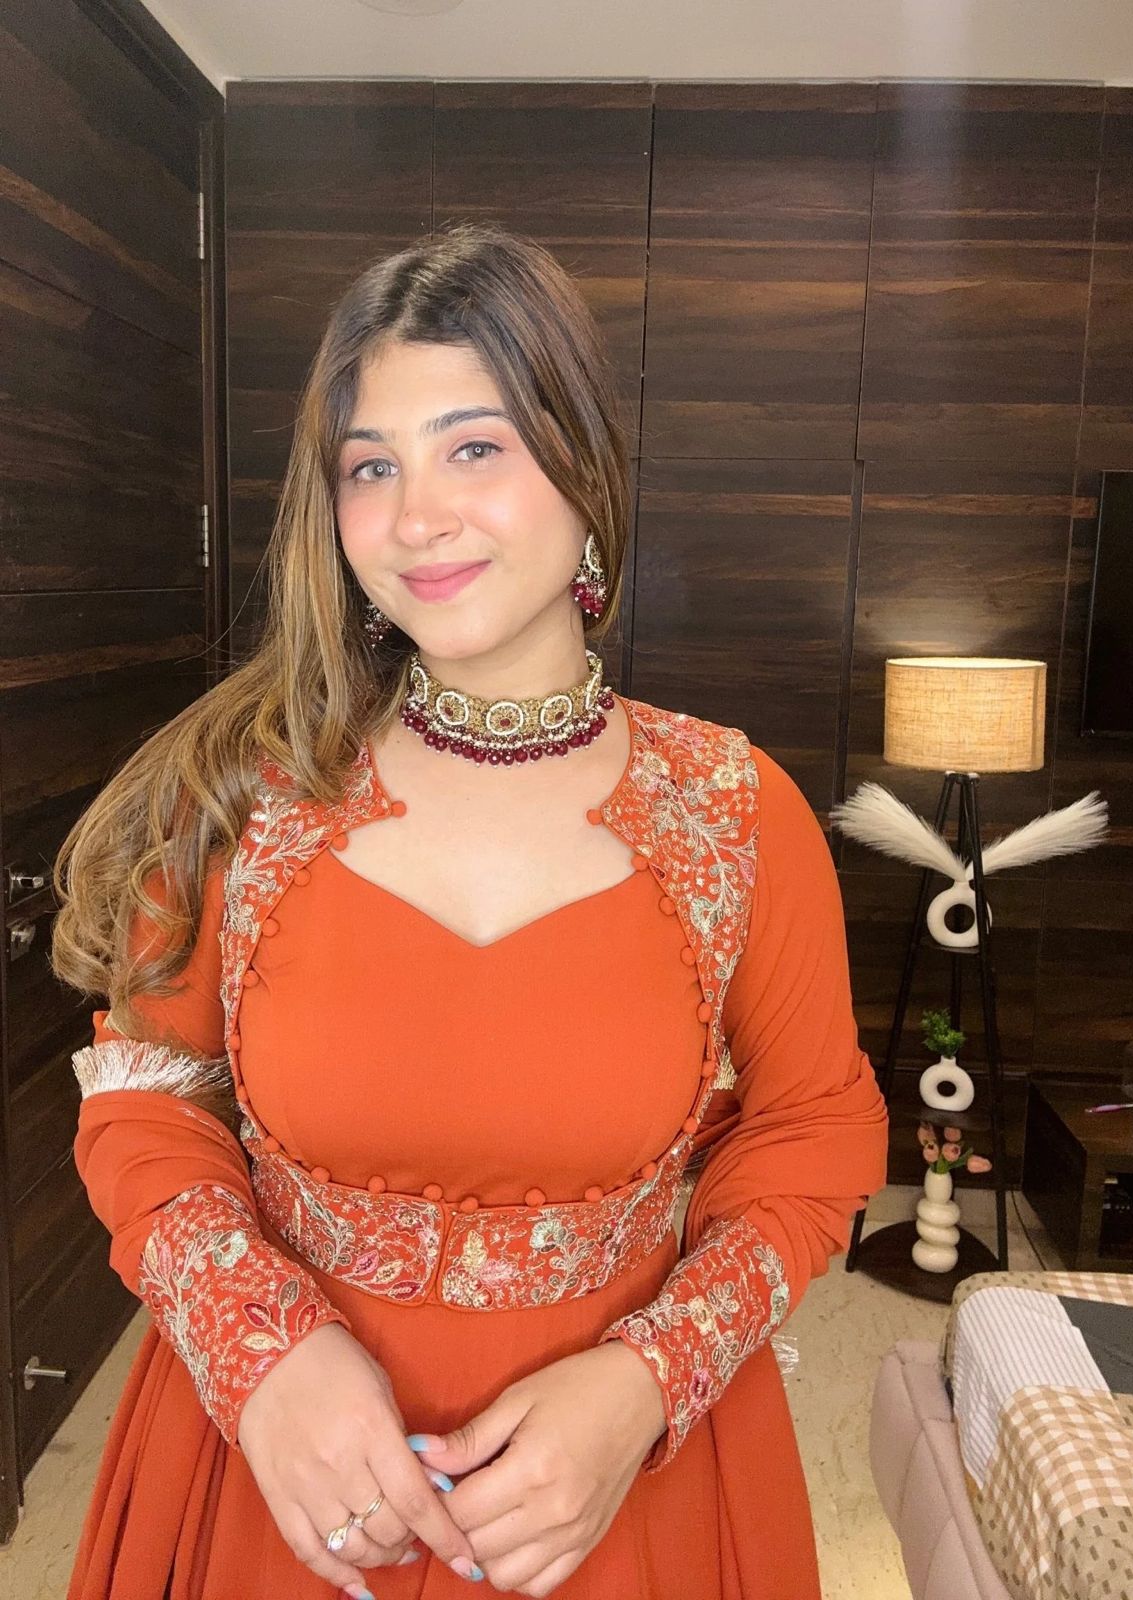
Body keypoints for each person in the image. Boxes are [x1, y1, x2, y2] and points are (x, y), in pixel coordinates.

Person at [51, 220, 889, 1600]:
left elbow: (811, 1134)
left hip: (624, 1509)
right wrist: (263, 1356)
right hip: (281, 1488)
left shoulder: (738, 812)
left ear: (584, 467)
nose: (416, 517)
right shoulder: (241, 798)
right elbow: (145, 1104)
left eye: (475, 448)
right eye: (370, 466)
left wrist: (649, 1378)